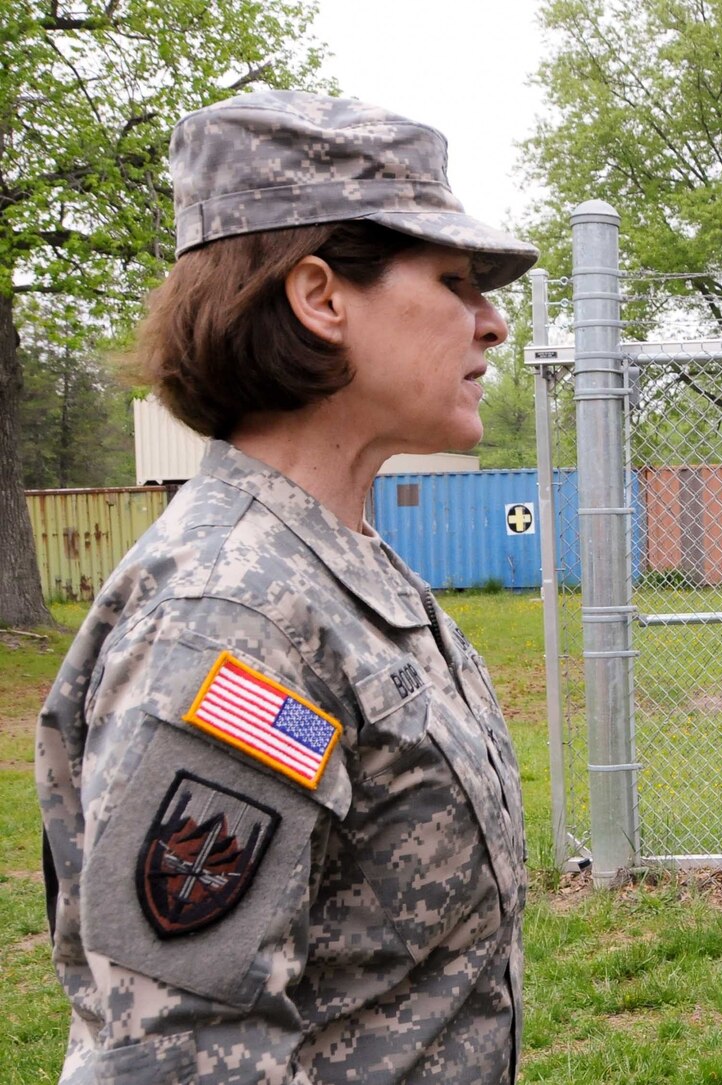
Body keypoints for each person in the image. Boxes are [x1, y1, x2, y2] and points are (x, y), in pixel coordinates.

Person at [36, 90, 538, 1083]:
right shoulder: (237, 616)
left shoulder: (329, 563)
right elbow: (181, 1054)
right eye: (453, 280)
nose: (491, 322)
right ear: (320, 297)